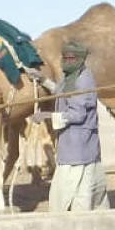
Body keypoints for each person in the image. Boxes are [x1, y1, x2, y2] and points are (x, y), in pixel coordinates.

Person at [47, 40, 109, 211]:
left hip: (78, 149)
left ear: (80, 59)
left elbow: (77, 114)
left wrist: (47, 116)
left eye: (71, 58)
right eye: (65, 57)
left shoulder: (83, 80)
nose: (67, 61)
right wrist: (43, 81)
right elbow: (63, 92)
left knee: (77, 195)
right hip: (71, 144)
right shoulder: (70, 77)